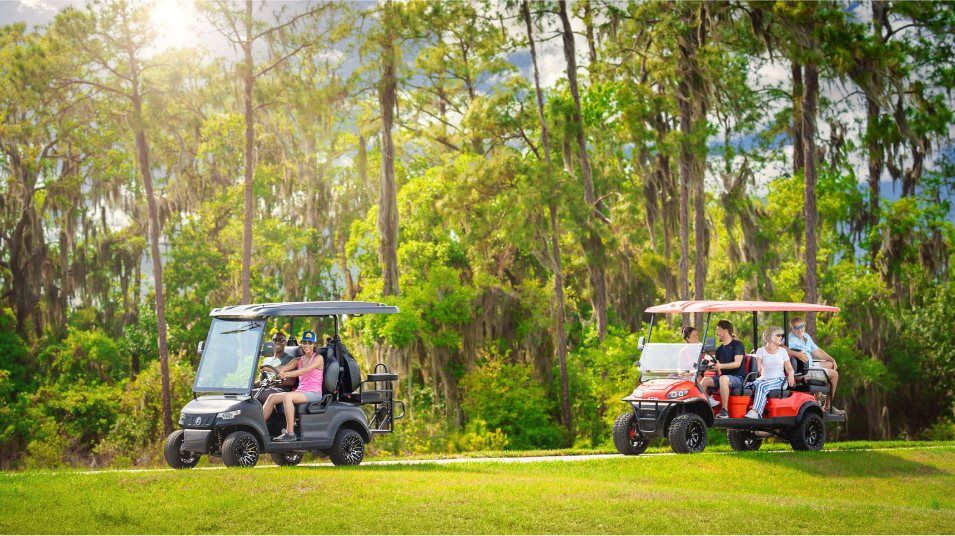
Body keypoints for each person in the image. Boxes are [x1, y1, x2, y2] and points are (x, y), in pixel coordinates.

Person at [262, 331, 325, 441]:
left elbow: (303, 371)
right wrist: (267, 368)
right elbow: (282, 368)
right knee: (272, 397)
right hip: (301, 391)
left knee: (288, 396)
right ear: (301, 344)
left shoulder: (318, 358)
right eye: (304, 342)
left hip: (314, 393)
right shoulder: (298, 360)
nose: (306, 345)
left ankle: (290, 433)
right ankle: (258, 427)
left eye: (310, 343)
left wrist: (286, 374)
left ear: (314, 344)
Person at [786, 317, 843, 415]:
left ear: (804, 326)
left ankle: (818, 396)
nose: (799, 330)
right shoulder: (790, 339)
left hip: (811, 364)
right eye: (796, 328)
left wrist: (832, 359)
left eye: (801, 327)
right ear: (792, 329)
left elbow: (817, 351)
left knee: (831, 364)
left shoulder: (806, 336)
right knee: (834, 375)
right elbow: (782, 348)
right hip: (804, 370)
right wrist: (796, 354)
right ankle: (827, 407)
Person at [745, 327, 795, 418]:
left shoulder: (782, 351)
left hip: (779, 380)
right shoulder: (761, 351)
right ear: (770, 336)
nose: (781, 337)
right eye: (778, 335)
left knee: (761, 386)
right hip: (764, 379)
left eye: (781, 335)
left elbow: (789, 368)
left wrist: (791, 375)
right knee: (746, 385)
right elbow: (758, 368)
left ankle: (756, 411)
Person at [700, 320, 746, 418]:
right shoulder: (719, 349)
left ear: (725, 331)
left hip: (738, 378)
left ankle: (725, 410)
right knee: (704, 381)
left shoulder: (738, 345)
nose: (716, 333)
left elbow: (737, 364)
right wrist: (710, 368)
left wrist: (720, 366)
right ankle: (707, 408)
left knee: (723, 378)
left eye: (718, 330)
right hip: (724, 377)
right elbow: (719, 368)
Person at [255, 332, 299, 404]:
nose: (278, 342)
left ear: (285, 343)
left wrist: (273, 382)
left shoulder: (290, 359)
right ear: (272, 342)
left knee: (253, 395)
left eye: (281, 340)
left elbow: (291, 382)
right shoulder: (266, 359)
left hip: (280, 390)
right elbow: (260, 380)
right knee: (245, 392)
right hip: (265, 388)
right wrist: (251, 385)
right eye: (275, 340)